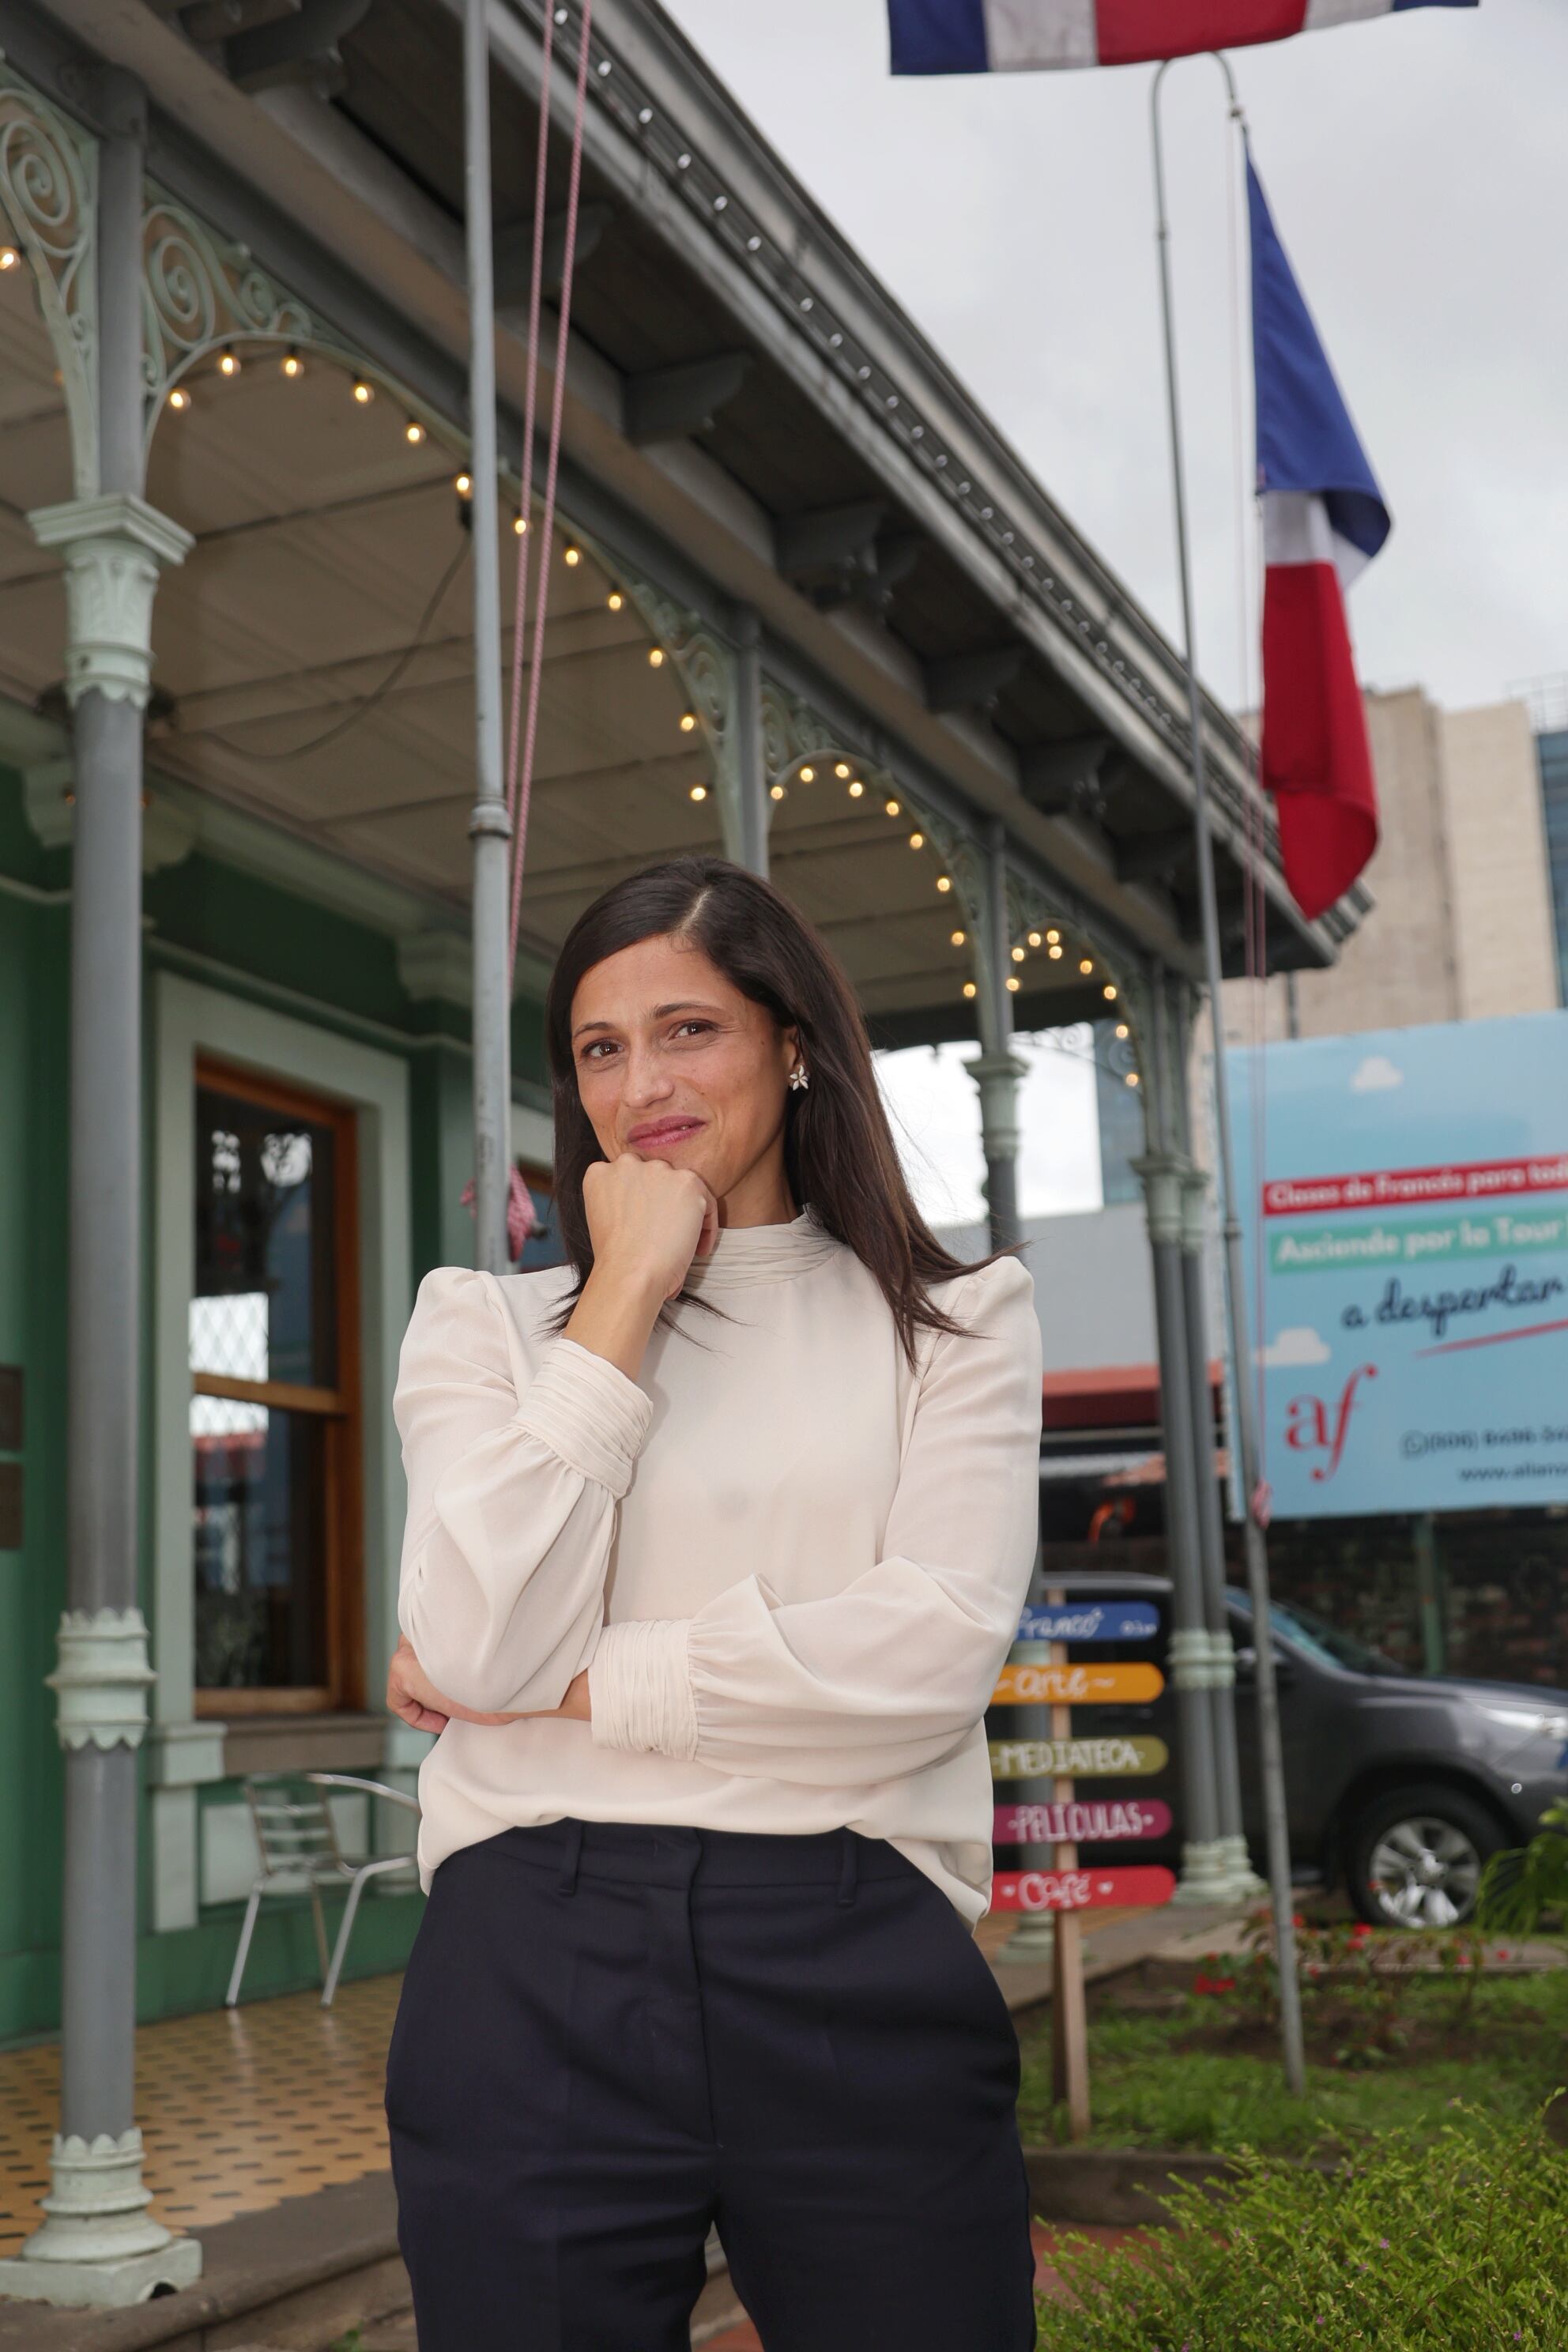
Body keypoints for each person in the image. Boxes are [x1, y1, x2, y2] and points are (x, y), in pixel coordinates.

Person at [383, 853, 1045, 2350]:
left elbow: (929, 1655)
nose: (642, 1083)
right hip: (528, 1954)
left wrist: (570, 1692)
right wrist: (617, 1295)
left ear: (793, 1045)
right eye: (601, 1049)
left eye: (691, 1030)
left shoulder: (955, 1324)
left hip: (849, 1944)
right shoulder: (483, 1327)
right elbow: (481, 1637)